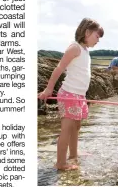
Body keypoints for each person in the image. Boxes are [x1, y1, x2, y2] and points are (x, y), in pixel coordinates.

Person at [38, 18, 104, 170]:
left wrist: (82, 95)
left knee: (76, 127)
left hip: (79, 96)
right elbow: (59, 68)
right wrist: (49, 89)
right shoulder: (74, 48)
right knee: (67, 130)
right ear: (87, 32)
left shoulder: (86, 51)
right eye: (97, 36)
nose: (98, 41)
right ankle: (60, 163)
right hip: (69, 95)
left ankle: (73, 155)